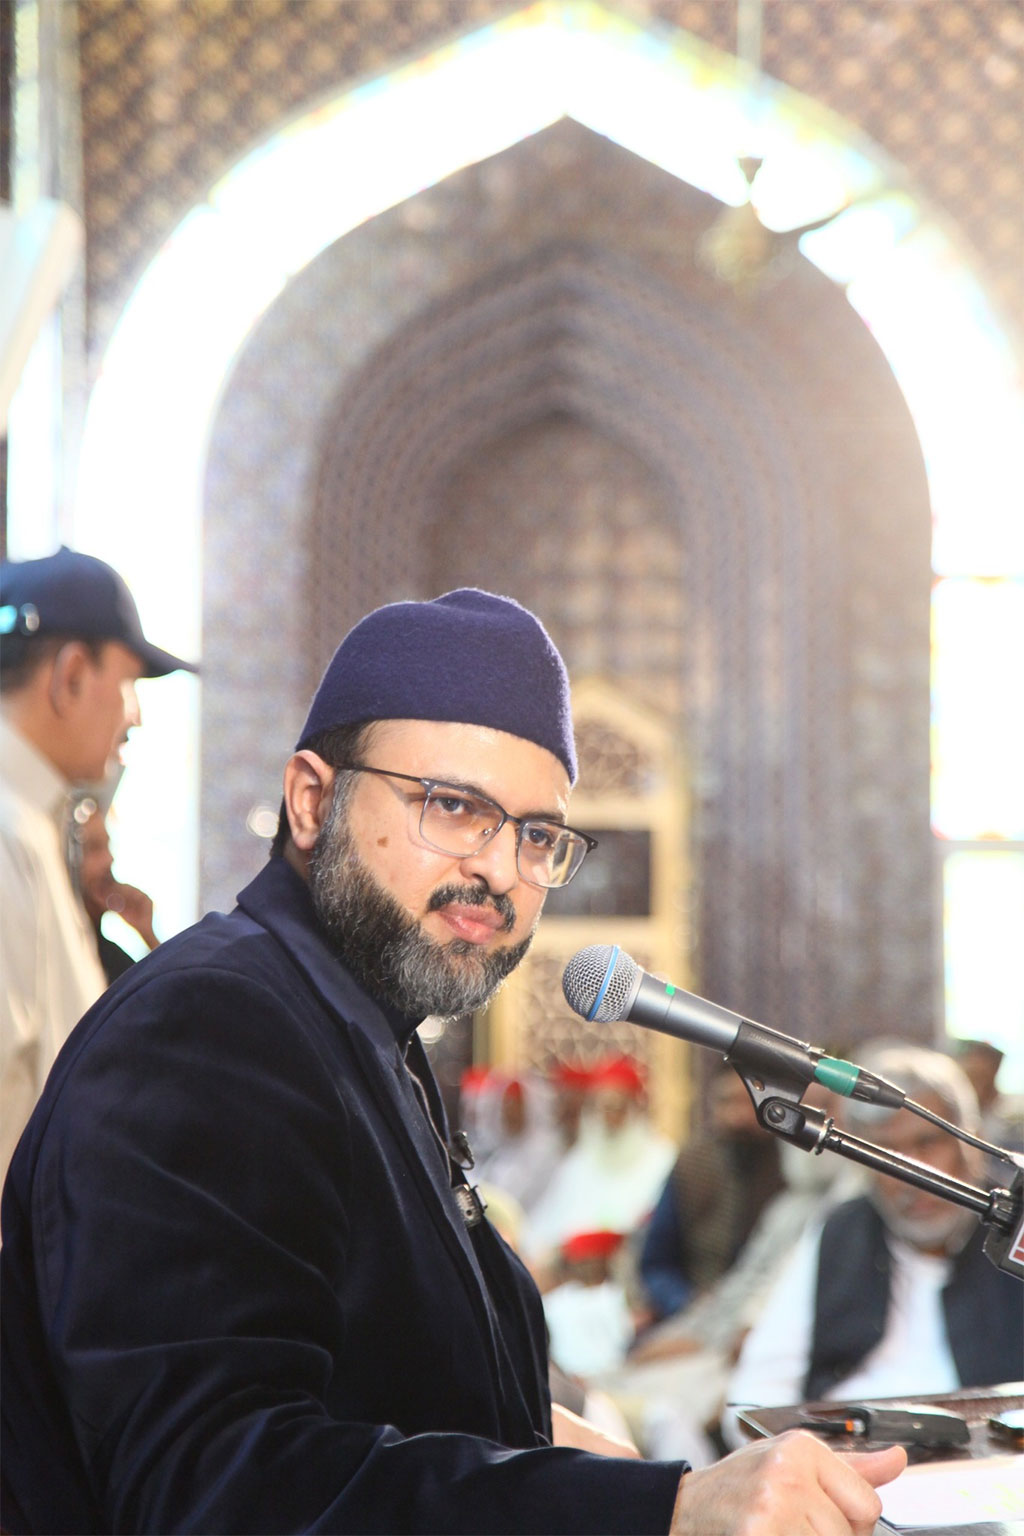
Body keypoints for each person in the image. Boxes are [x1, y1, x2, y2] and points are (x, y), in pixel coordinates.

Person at [1, 588, 905, 1534]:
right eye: (453, 806)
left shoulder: (356, 1026)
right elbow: (222, 1487)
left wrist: (562, 1444)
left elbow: (379, 1377)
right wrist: (657, 1510)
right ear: (312, 800)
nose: (502, 870)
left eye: (537, 834)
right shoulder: (209, 1030)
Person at [0, 546, 196, 1180]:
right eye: (130, 682)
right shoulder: (6, 831)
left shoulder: (29, 822)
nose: (134, 715)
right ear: (72, 674)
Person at [724, 1044, 1022, 1447]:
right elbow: (761, 1387)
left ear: (973, 1140)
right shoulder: (841, 1231)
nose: (914, 1173)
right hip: (848, 1457)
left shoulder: (1015, 1231)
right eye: (889, 1155)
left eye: (928, 1143)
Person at [638, 1059, 784, 1326]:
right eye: (726, 1102)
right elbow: (656, 1263)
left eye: (746, 1102)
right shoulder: (692, 1165)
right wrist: (685, 1301)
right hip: (696, 1312)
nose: (736, 1116)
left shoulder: (788, 1166)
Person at [71, 799, 161, 983]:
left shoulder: (111, 960)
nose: (108, 860)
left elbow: (170, 1002)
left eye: (107, 846)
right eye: (94, 848)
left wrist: (149, 937)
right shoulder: (55, 945)